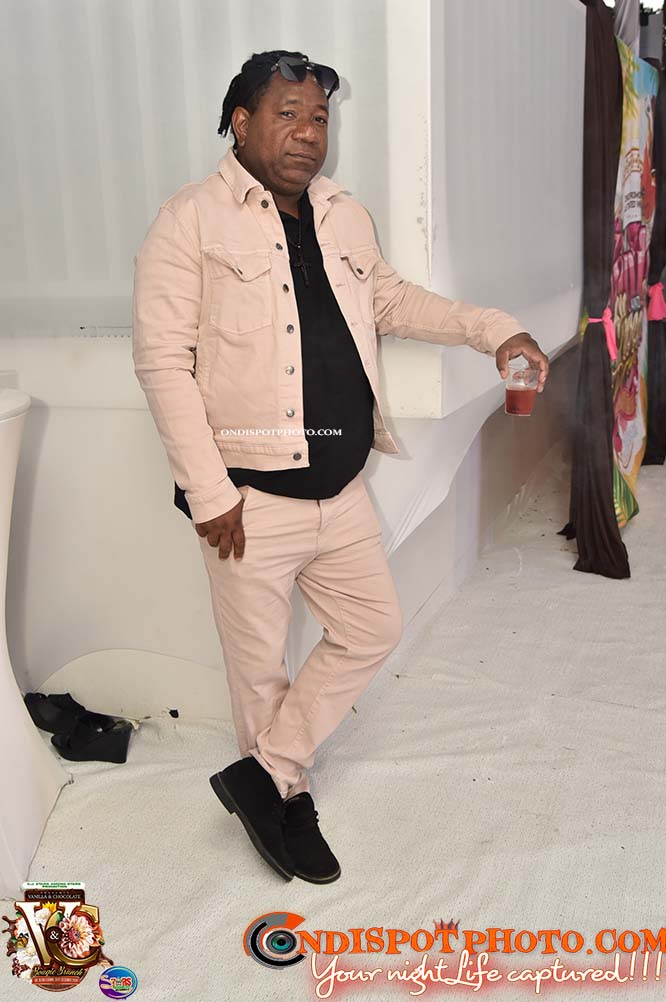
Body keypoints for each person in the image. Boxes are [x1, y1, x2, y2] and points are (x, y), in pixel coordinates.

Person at [131, 49, 549, 886]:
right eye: (286, 114)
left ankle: (265, 775)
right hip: (247, 498)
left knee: (371, 629)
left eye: (319, 118)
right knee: (259, 671)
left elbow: (392, 300)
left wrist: (494, 328)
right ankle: (287, 803)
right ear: (241, 121)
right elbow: (162, 362)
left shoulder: (343, 215)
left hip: (341, 487)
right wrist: (209, 492)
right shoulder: (190, 221)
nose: (307, 134)